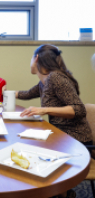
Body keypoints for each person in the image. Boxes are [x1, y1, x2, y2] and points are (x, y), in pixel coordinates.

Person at [16, 44, 92, 198]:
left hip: (75, 139)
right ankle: (59, 192)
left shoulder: (55, 78)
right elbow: (26, 94)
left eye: (31, 57)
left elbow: (78, 109)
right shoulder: (44, 81)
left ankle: (60, 192)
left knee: (31, 149)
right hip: (61, 136)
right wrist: (5, 92)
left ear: (36, 58)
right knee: (28, 143)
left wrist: (44, 110)